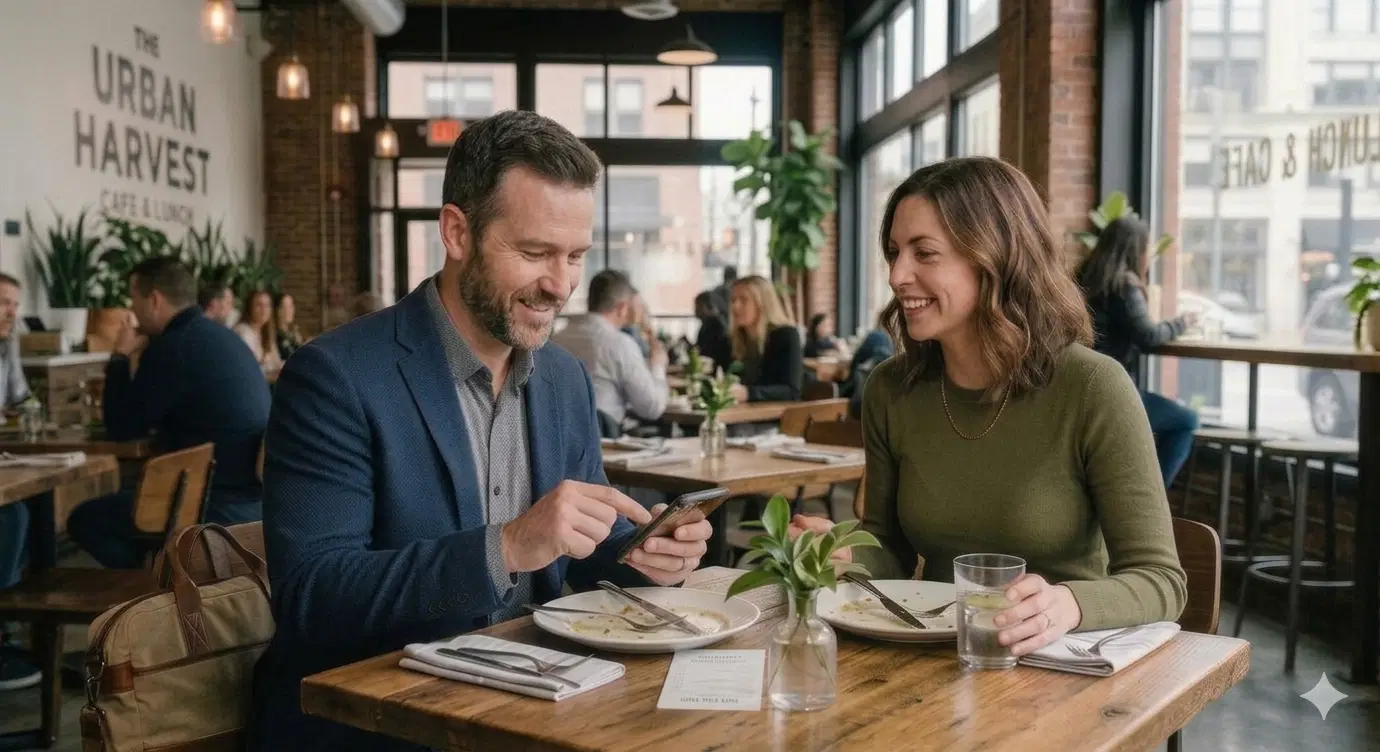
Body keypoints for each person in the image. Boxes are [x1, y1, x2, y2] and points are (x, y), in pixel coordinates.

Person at [249, 110, 712, 750]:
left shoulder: (564, 380)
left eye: (575, 255)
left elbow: (583, 549)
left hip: (533, 709)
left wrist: (648, 555)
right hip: (374, 722)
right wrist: (507, 548)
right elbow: (314, 597)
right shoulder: (335, 376)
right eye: (533, 253)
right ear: (456, 232)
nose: (560, 284)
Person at [792, 157, 1186, 657]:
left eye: (924, 253)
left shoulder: (1091, 385)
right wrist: (845, 555)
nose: (896, 275)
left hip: (1060, 671)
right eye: (894, 252)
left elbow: (1162, 581)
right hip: (931, 660)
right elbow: (888, 550)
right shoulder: (891, 389)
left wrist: (1067, 604)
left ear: (994, 258)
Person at [66, 257, 271, 569]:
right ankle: (163, 578)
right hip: (252, 500)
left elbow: (122, 427)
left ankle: (155, 585)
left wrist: (120, 356)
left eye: (133, 299)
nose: (131, 310)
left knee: (83, 519)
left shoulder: (174, 346)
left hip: (210, 502)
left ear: (154, 300)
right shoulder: (220, 337)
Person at [1077, 217, 1200, 487]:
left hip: (1078, 394)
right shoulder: (1123, 285)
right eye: (1147, 249)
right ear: (1136, 252)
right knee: (1187, 420)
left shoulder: (1082, 279)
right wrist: (1183, 322)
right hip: (1114, 396)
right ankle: (1149, 495)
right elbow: (1149, 335)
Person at [551, 269, 668, 432]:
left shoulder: (555, 339)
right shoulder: (620, 344)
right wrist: (658, 365)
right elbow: (651, 407)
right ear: (622, 308)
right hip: (604, 442)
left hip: (557, 438)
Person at [0, 272, 39, 692]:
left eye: (15, 303)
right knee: (12, 517)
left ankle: (12, 631)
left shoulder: (6, 346)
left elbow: (21, 400)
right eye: (4, 303)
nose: (12, 312)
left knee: (23, 511)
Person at [727, 275, 802, 403]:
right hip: (742, 414)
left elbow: (791, 391)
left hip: (775, 418)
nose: (735, 306)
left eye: (743, 300)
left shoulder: (786, 335)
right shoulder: (734, 339)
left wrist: (747, 393)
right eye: (733, 300)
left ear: (762, 304)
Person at [234, 290, 284, 373]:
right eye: (259, 305)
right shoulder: (243, 332)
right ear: (250, 308)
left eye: (267, 306)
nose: (264, 310)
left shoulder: (266, 333)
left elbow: (276, 363)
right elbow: (247, 369)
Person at [692, 291, 732, 372]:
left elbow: (709, 352)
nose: (695, 310)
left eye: (699, 306)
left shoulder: (717, 325)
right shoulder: (705, 324)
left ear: (709, 306)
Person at [276, 293, 305, 361]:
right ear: (277, 310)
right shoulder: (275, 336)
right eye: (284, 307)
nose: (289, 310)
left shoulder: (293, 333)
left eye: (290, 306)